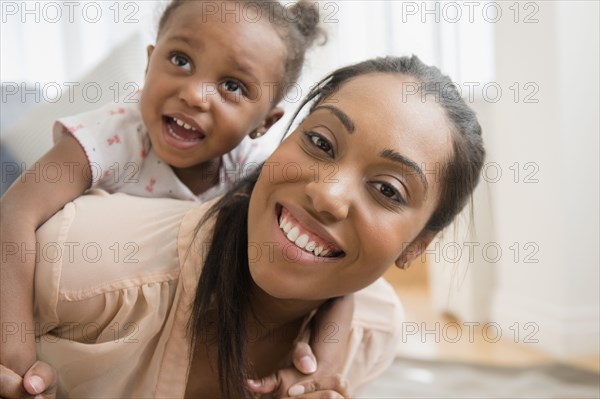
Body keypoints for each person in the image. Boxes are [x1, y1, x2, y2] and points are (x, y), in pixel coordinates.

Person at [0, 55, 485, 398]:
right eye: (319, 141)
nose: (327, 195)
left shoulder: (371, 333)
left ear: (417, 246)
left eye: (387, 191)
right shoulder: (81, 260)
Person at [1, 0, 364, 390]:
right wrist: (15, 354)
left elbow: (337, 280)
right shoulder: (113, 136)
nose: (194, 94)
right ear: (149, 62)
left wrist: (327, 355)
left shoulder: (249, 171)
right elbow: (14, 214)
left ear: (264, 123)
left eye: (232, 86)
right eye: (180, 59)